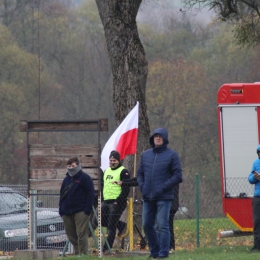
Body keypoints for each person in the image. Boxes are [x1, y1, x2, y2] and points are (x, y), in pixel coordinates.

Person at [137, 128, 183, 259]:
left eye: (160, 136)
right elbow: (140, 174)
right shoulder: (145, 155)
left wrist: (164, 187)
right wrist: (142, 186)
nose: (158, 138)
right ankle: (155, 251)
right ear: (152, 139)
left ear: (165, 139)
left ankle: (163, 253)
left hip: (164, 196)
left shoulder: (172, 155)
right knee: (146, 224)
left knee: (163, 225)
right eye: (155, 136)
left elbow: (178, 175)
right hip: (148, 196)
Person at [94, 150, 130, 254]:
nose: (112, 162)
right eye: (111, 160)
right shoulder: (106, 171)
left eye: (114, 160)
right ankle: (121, 225)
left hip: (117, 202)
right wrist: (101, 199)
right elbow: (103, 185)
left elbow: (126, 188)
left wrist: (118, 201)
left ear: (118, 160)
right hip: (106, 201)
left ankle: (106, 249)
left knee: (111, 226)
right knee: (97, 221)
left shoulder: (124, 171)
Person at [59, 157, 95, 255]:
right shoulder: (66, 180)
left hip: (81, 211)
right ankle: (77, 252)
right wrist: (61, 211)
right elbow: (61, 195)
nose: (71, 168)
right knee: (71, 235)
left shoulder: (85, 178)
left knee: (81, 234)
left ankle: (83, 254)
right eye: (69, 166)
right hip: (66, 212)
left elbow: (90, 193)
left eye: (73, 166)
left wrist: (87, 210)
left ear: (78, 165)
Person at [248, 145, 260, 253]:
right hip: (258, 197)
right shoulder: (256, 163)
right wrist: (255, 177)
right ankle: (257, 246)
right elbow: (250, 179)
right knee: (257, 221)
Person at [169, 184, 179, 253]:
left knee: (167, 225)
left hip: (170, 203)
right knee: (169, 225)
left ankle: (170, 246)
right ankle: (171, 246)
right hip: (172, 203)